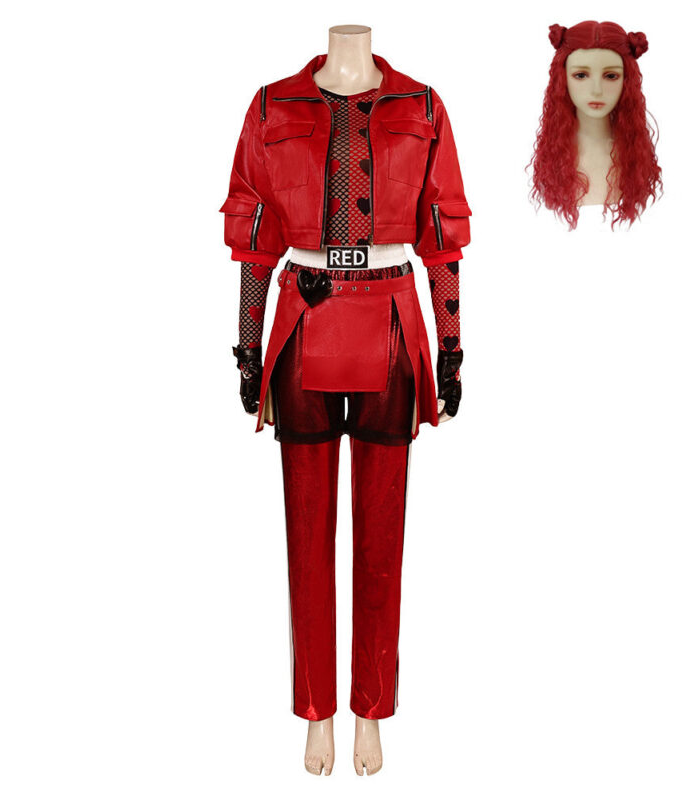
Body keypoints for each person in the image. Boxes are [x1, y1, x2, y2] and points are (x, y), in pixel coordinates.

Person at [221, 25, 470, 776]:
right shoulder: (271, 106)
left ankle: (371, 713)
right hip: (305, 318)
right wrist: (248, 347)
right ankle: (316, 714)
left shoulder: (423, 106)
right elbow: (254, 238)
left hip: (390, 320)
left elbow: (443, 237)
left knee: (381, 539)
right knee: (306, 534)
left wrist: (451, 347)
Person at [528, 20, 663, 229]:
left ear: (627, 81)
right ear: (562, 79)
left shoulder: (635, 157)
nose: (596, 90)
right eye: (581, 75)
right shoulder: (553, 157)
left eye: (611, 76)